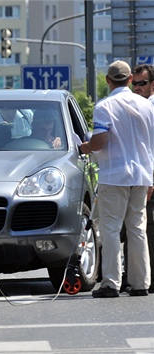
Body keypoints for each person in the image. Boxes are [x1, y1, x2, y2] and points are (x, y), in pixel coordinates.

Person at [79, 60, 153, 298]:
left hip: (115, 174)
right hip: (142, 174)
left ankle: (111, 282)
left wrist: (85, 147)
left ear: (107, 80)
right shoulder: (147, 105)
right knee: (137, 228)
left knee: (111, 228)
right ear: (130, 79)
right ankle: (141, 282)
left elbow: (99, 141)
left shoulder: (105, 106)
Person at [130, 63, 154, 293]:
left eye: (142, 83)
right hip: (144, 175)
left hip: (149, 176)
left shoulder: (149, 107)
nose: (137, 87)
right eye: (134, 83)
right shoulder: (141, 106)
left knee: (146, 228)